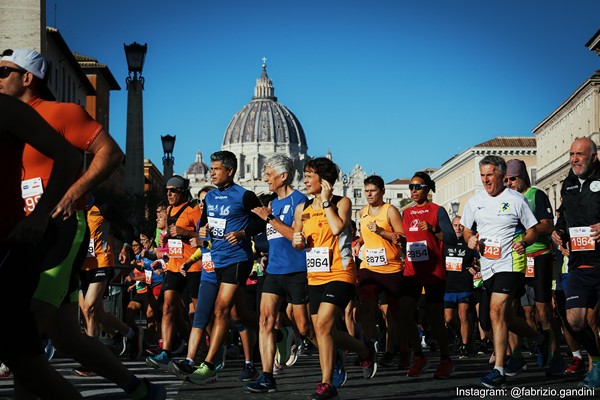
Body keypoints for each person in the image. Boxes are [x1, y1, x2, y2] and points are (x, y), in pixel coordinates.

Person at [1, 49, 165, 399]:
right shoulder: (10, 118)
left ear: (27, 78)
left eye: (3, 71)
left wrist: (67, 196)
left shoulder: (61, 112)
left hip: (59, 231)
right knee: (65, 336)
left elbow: (110, 152)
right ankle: (138, 389)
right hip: (24, 232)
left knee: (24, 336)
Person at [0, 92, 82, 399]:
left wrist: (40, 214)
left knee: (29, 368)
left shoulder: (6, 108)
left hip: (7, 248)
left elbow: (70, 156)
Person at [292, 157, 377, 400]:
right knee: (321, 330)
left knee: (322, 325)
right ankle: (363, 349)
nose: (305, 180)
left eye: (309, 175)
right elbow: (298, 239)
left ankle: (327, 383)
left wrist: (327, 201)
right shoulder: (303, 209)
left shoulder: (342, 203)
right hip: (315, 276)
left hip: (341, 273)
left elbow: (338, 227)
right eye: (305, 175)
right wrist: (297, 242)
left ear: (324, 180)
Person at [461, 155, 545, 389]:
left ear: (500, 174)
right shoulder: (474, 202)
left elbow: (533, 230)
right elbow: (467, 231)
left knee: (498, 310)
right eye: (482, 175)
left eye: (490, 174)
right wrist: (471, 240)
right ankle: (539, 338)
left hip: (511, 263)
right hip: (488, 266)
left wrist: (524, 242)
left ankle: (499, 369)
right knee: (496, 318)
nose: (486, 180)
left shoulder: (516, 199)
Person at [186, 151, 263, 384]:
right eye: (211, 169)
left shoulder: (245, 195)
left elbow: (262, 220)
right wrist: (203, 230)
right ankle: (276, 329)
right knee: (237, 314)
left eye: (216, 169)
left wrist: (243, 233)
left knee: (220, 309)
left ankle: (209, 364)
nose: (212, 173)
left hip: (238, 258)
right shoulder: (209, 198)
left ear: (230, 170)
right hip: (217, 259)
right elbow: (205, 223)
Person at [244, 154, 310, 393]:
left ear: (283, 176)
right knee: (265, 321)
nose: (265, 178)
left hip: (297, 270)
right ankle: (267, 376)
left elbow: (295, 236)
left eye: (269, 174)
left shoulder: (300, 201)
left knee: (304, 327)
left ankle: (332, 354)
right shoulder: (272, 203)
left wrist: (269, 218)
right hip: (273, 270)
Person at [503, 159, 564, 377]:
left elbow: (548, 225)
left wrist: (528, 229)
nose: (509, 183)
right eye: (506, 179)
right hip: (514, 259)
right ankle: (517, 355)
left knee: (543, 310)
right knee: (509, 309)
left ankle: (557, 355)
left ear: (523, 177)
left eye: (513, 179)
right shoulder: (505, 200)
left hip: (538, 256)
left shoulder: (535, 195)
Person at [551, 137, 600, 389]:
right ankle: (597, 361)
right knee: (575, 321)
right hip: (578, 264)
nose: (574, 159)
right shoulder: (568, 184)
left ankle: (596, 371)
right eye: (572, 154)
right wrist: (558, 231)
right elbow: (564, 217)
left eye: (580, 154)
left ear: (594, 156)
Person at [397, 171, 456, 379]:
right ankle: (419, 356)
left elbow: (450, 237)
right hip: (412, 270)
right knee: (404, 313)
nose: (413, 191)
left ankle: (446, 360)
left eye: (418, 187)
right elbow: (408, 238)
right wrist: (399, 241)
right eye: (411, 187)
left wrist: (432, 229)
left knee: (435, 318)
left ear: (427, 189)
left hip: (434, 271)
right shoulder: (406, 213)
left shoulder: (437, 211)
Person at [146, 175, 202, 370]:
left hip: (193, 266)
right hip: (173, 266)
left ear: (183, 192)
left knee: (197, 311)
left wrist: (185, 233)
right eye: (167, 190)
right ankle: (166, 352)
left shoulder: (194, 210)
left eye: (173, 190)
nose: (169, 193)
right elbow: (171, 235)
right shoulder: (168, 210)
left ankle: (207, 348)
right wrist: (166, 242)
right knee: (167, 307)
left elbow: (204, 236)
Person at [351, 175, 403, 372]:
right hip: (369, 267)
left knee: (391, 313)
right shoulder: (363, 212)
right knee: (366, 307)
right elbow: (365, 235)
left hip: (390, 268)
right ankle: (370, 345)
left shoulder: (390, 210)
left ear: (382, 191)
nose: (369, 194)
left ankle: (391, 350)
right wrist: (359, 243)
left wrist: (382, 231)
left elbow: (401, 238)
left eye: (372, 190)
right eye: (366, 191)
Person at [443, 216, 477, 359]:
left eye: (461, 226)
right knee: (449, 319)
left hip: (464, 283)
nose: (458, 228)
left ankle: (465, 345)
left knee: (463, 314)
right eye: (455, 225)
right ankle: (460, 335)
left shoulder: (469, 243)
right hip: (448, 285)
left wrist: (476, 267)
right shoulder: (446, 243)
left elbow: (479, 260)